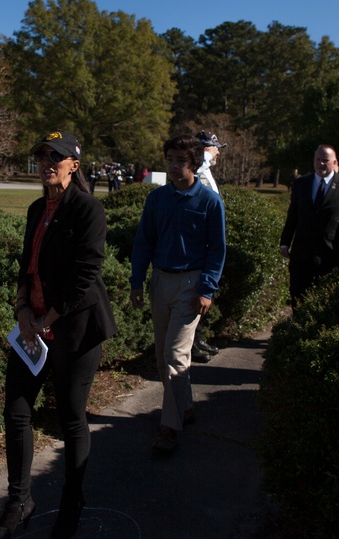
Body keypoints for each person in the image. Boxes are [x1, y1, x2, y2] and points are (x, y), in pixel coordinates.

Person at [0, 131, 117, 539]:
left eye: (55, 157)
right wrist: (23, 308)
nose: (46, 162)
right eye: (42, 156)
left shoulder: (88, 209)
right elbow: (28, 264)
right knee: (17, 411)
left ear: (74, 165)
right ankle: (19, 501)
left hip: (74, 330)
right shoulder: (35, 208)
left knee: (71, 420)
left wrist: (50, 317)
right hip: (34, 328)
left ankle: (72, 505)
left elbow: (85, 276)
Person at [130, 135, 226, 452]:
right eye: (170, 158)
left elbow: (217, 250)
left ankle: (168, 428)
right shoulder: (157, 199)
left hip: (191, 284)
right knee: (163, 358)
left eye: (181, 160)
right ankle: (184, 407)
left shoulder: (210, 202)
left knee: (174, 356)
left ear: (195, 164)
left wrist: (207, 289)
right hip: (160, 281)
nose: (173, 165)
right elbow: (143, 241)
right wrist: (137, 282)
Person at [278, 145, 339, 308]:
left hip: (331, 252)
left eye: (325, 160)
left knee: (328, 299)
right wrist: (285, 241)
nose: (321, 164)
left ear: (334, 162)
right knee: (298, 296)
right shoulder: (301, 184)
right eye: (318, 160)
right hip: (302, 252)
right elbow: (293, 215)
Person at [190, 129, 227, 362]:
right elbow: (194, 169)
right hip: (196, 246)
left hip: (207, 243)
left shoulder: (207, 171)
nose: (216, 155)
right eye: (213, 149)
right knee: (194, 297)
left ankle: (198, 339)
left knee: (202, 295)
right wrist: (203, 155)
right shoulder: (197, 168)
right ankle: (192, 345)